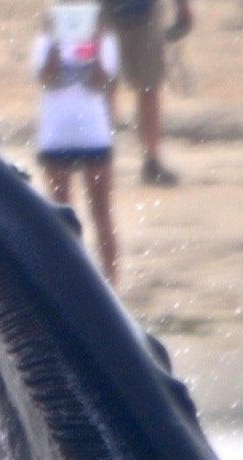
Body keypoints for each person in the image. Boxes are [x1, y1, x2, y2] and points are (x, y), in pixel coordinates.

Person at [34, 6, 121, 283]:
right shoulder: (45, 41)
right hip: (56, 135)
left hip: (93, 134)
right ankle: (65, 280)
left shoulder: (105, 40)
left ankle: (112, 281)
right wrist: (55, 42)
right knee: (60, 218)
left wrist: (94, 44)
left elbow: (100, 81)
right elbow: (47, 78)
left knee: (102, 213)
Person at [101, 0, 191, 185]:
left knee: (149, 85)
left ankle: (151, 161)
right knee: (104, 84)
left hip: (144, 8)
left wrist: (183, 6)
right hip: (103, 7)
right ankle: (101, 159)